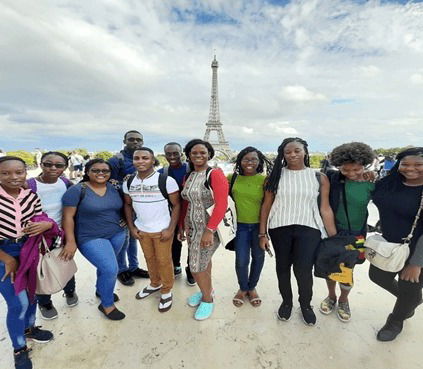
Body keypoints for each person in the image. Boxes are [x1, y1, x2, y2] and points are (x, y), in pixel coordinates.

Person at [259, 138, 337, 326]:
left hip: (309, 229)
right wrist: (262, 233)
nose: (293, 154)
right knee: (283, 268)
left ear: (305, 151)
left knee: (303, 270)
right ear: (283, 155)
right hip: (279, 228)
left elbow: (325, 209)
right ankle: (286, 302)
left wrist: (334, 238)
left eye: (297, 150)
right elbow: (266, 206)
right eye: (288, 152)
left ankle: (305, 304)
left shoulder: (319, 177)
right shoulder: (274, 176)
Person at [0, 156, 54, 369]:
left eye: (19, 172)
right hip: (4, 253)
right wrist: (7, 259)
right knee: (17, 303)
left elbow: (39, 218)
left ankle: (29, 328)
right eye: (5, 173)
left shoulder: (30, 196)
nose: (13, 177)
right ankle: (19, 347)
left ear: (26, 173)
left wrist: (46, 224)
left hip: (28, 249)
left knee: (32, 295)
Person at [369, 147, 423, 341]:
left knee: (409, 286)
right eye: (405, 164)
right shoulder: (389, 183)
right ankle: (412, 300)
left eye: (419, 165)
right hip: (389, 245)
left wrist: (416, 263)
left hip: (417, 250)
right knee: (377, 276)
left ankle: (396, 320)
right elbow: (374, 197)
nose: (411, 169)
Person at [62, 159, 127, 320]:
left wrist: (125, 220)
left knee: (105, 267)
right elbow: (67, 217)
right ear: (87, 172)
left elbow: (124, 206)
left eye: (105, 171)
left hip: (117, 233)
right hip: (90, 236)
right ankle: (107, 304)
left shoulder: (114, 187)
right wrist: (71, 241)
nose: (101, 173)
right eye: (96, 170)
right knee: (111, 269)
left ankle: (101, 289)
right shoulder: (77, 190)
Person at [318, 142, 375, 322]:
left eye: (356, 169)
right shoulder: (333, 178)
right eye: (345, 169)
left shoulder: (371, 184)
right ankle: (331, 296)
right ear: (338, 166)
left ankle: (343, 299)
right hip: (333, 232)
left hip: (357, 235)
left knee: (347, 269)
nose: (351, 173)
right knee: (330, 267)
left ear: (365, 165)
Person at [123, 148, 180, 312]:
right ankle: (155, 283)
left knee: (164, 261)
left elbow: (176, 205)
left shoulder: (166, 180)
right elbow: (128, 205)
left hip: (162, 230)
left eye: (145, 158)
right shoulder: (128, 182)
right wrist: (132, 227)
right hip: (142, 230)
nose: (140, 161)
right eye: (137, 158)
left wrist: (170, 229)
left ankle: (167, 289)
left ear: (152, 160)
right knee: (149, 258)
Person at [179, 139, 228, 320]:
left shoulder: (214, 174)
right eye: (194, 153)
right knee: (203, 262)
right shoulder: (189, 176)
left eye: (202, 152)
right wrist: (181, 226)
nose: (198, 156)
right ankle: (207, 291)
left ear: (209, 154)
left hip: (208, 229)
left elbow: (221, 205)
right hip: (192, 227)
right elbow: (186, 204)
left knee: (196, 267)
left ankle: (207, 300)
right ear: (189, 156)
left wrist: (210, 230)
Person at [27, 152, 78, 320]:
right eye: (48, 164)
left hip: (60, 234)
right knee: (41, 271)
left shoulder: (65, 182)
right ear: (41, 164)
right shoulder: (29, 185)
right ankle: (45, 302)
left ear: (65, 167)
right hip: (36, 237)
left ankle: (70, 292)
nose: (53, 168)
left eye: (59, 165)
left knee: (65, 264)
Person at [228, 147, 272, 308]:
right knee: (241, 260)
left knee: (259, 258)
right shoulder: (232, 178)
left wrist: (263, 233)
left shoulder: (265, 180)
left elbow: (267, 206)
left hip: (259, 227)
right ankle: (243, 287)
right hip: (239, 227)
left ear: (259, 162)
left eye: (253, 159)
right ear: (240, 161)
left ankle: (252, 287)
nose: (249, 162)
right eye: (246, 159)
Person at [109, 130, 149, 286]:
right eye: (131, 139)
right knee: (123, 240)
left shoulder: (141, 159)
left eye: (139, 140)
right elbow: (108, 183)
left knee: (133, 238)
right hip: (121, 206)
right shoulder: (116, 160)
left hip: (137, 207)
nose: (135, 142)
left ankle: (133, 266)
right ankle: (122, 269)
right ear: (124, 141)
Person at [158, 142, 195, 285]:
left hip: (191, 210)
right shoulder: (162, 173)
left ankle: (191, 269)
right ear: (165, 155)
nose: (172, 156)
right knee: (174, 242)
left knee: (193, 242)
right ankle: (176, 265)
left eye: (175, 153)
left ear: (182, 154)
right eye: (169, 154)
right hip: (172, 211)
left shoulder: (192, 169)